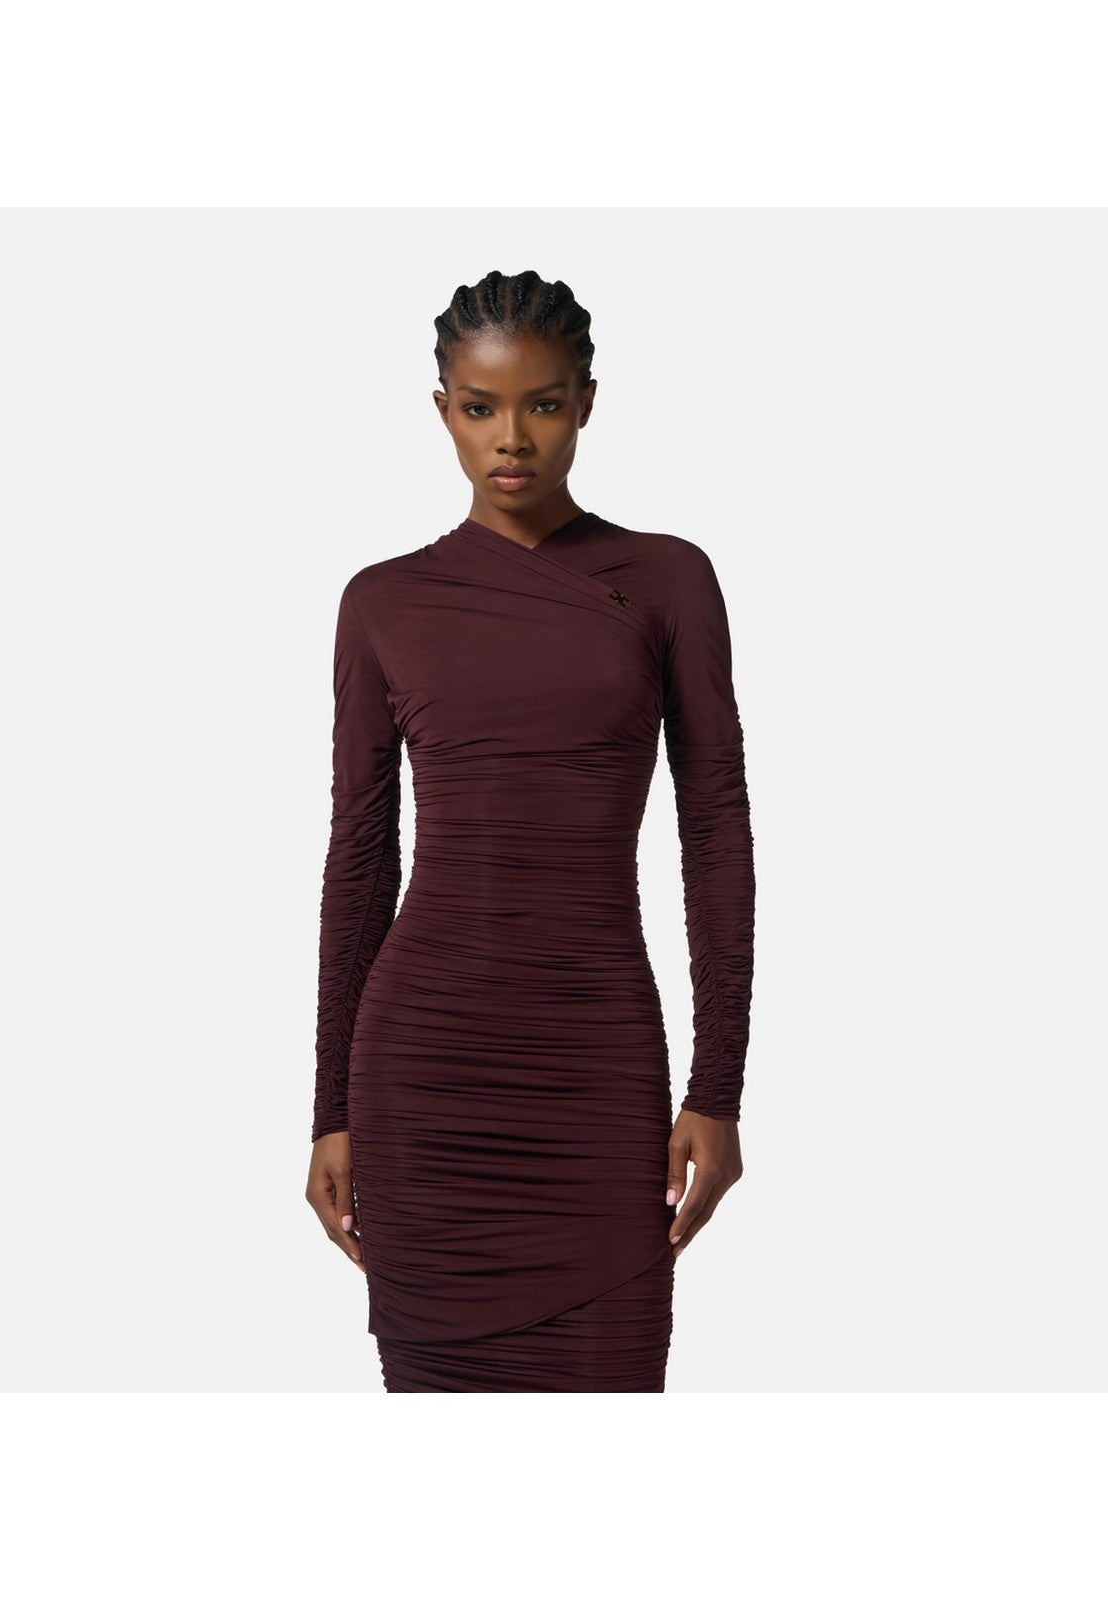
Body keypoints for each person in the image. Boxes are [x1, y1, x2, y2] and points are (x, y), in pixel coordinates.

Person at [305, 269, 756, 1392]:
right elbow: (360, 858)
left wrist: (718, 1088)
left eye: (543, 404)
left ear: (587, 403)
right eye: (480, 407)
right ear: (443, 410)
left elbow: (715, 830)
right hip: (424, 1071)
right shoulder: (382, 602)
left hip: (598, 1059)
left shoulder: (669, 579)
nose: (512, 438)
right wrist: (331, 1109)